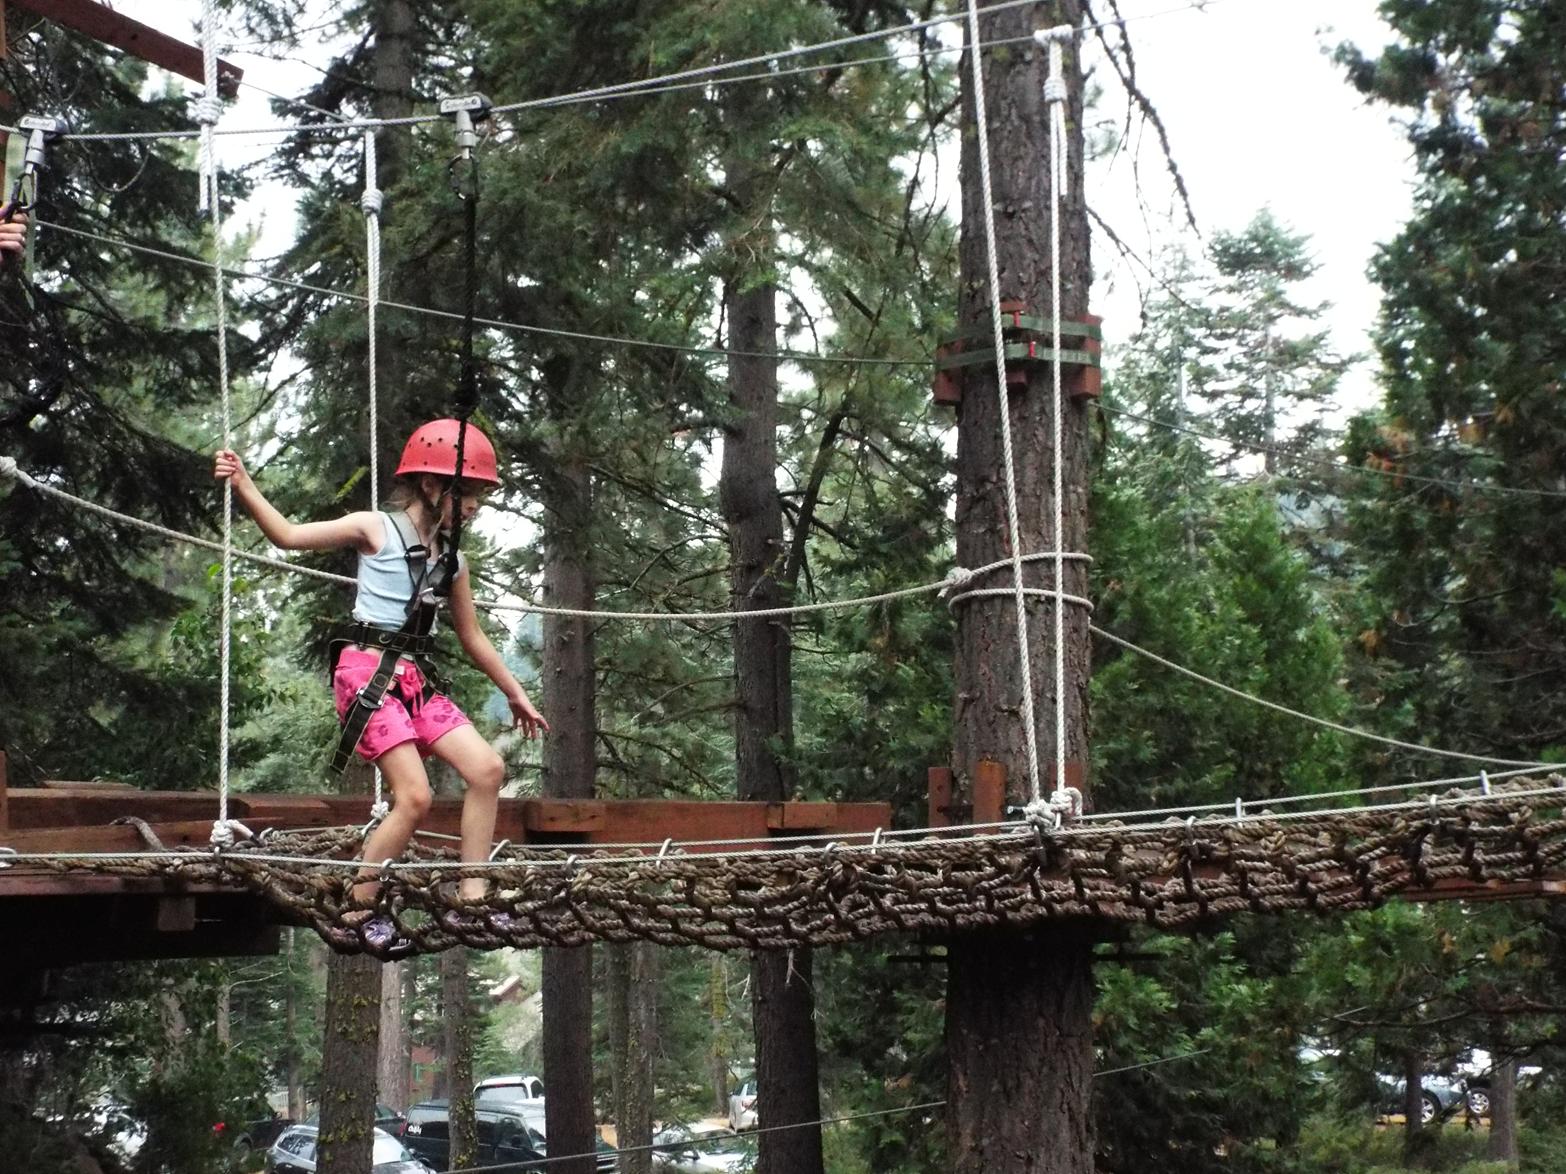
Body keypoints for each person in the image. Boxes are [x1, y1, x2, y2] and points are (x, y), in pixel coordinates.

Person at [214, 419, 547, 955]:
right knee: (414, 797)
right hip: (366, 675)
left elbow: (472, 636)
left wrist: (515, 692)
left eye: (479, 497)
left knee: (487, 769)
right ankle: (358, 908)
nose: (474, 507)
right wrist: (244, 483)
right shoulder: (376, 528)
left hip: (413, 680)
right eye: (466, 494)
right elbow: (289, 536)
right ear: (431, 485)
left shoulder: (453, 561)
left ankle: (472, 895)